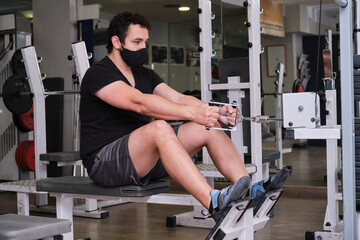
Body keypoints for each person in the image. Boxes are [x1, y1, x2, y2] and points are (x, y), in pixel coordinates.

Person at [80, 12, 288, 222]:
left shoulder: (144, 74)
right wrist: (193, 114)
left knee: (206, 126)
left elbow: (178, 99)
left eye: (145, 42)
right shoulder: (99, 73)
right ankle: (214, 202)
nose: (143, 48)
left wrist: (215, 111)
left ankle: (250, 192)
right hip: (105, 163)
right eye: (137, 42)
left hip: (143, 161)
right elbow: (140, 103)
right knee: (160, 128)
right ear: (117, 42)